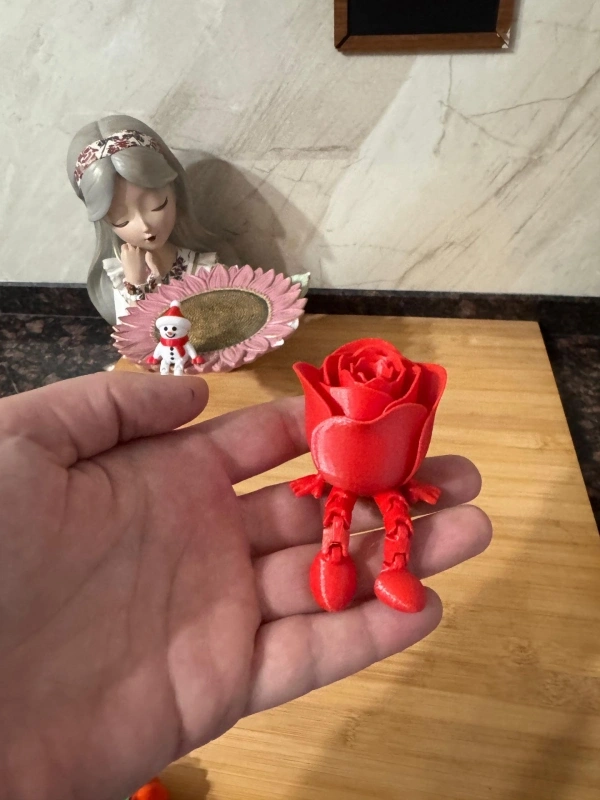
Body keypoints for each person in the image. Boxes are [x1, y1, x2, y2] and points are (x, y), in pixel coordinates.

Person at [0, 371, 492, 800]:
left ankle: (394, 569)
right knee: (335, 524)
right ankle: (338, 561)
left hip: (390, 482)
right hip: (334, 480)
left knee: (394, 521)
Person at [66, 115, 237, 324]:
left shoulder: (203, 267)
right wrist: (135, 282)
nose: (144, 225)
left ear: (175, 191)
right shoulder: (120, 278)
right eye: (121, 220)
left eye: (158, 205)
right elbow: (133, 333)